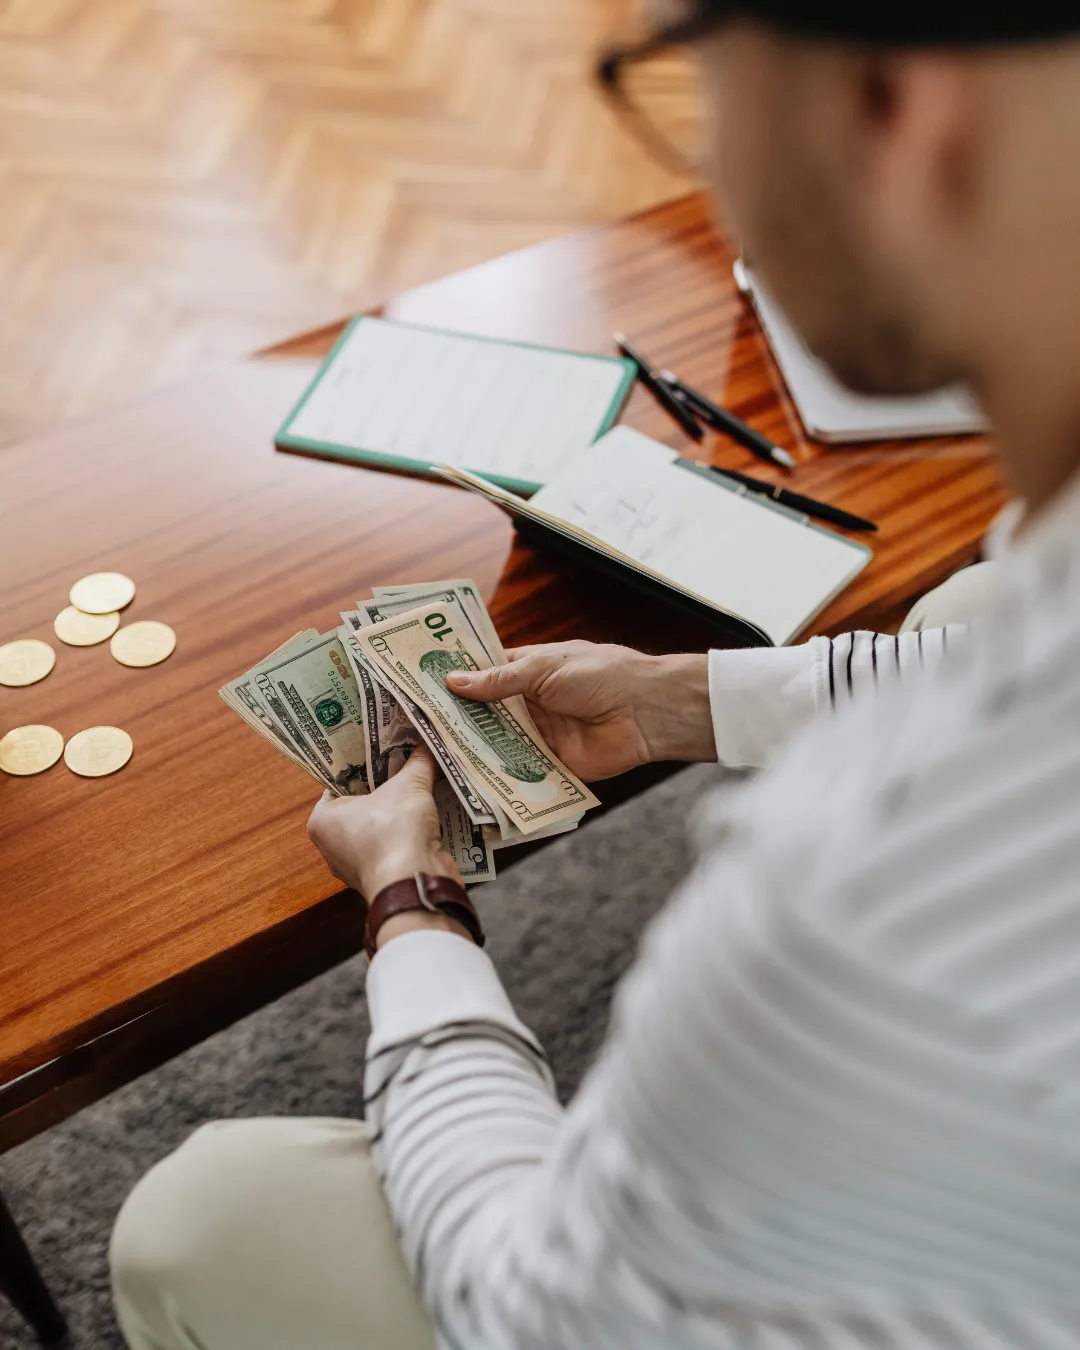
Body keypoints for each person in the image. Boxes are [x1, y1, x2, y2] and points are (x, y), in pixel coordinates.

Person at [110, 2, 1080, 1347]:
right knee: (971, 591)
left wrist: (414, 903)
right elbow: (1017, 653)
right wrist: (686, 698)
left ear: (898, 113)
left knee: (198, 1212)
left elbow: (536, 1311)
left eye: (686, 73)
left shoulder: (863, 899)